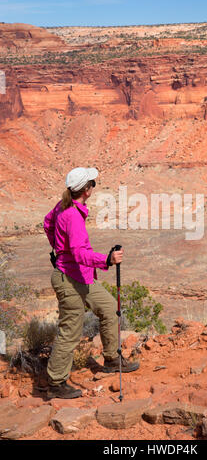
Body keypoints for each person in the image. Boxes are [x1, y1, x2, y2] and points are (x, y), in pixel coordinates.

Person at [44, 167, 139, 400]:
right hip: (69, 279)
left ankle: (111, 358)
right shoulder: (72, 215)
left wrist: (56, 248)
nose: (94, 187)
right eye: (93, 184)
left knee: (110, 309)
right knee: (70, 332)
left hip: (83, 276)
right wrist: (106, 260)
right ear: (86, 190)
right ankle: (55, 383)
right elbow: (78, 253)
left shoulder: (62, 206)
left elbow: (47, 223)